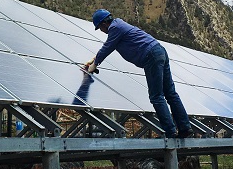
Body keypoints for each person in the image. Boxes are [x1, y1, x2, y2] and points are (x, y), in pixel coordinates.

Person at [82, 9, 192, 138]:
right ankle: (185, 128)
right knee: (170, 93)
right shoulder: (119, 25)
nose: (101, 31)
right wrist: (93, 60)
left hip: (150, 56)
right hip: (159, 52)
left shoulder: (115, 28)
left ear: (104, 24)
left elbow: (107, 47)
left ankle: (170, 132)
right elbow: (109, 46)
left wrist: (94, 65)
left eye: (99, 28)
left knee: (156, 96)